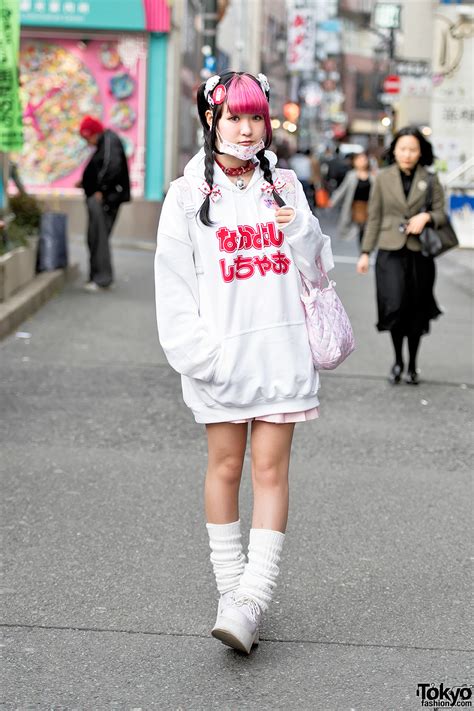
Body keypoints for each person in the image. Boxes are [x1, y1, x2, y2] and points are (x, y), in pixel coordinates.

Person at [154, 71, 333, 655]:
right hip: (222, 361)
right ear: (212, 120)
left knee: (271, 472)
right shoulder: (186, 197)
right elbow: (174, 287)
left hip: (281, 354)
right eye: (234, 116)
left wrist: (301, 229)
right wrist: (203, 357)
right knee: (225, 468)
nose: (247, 128)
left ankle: (252, 599)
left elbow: (317, 272)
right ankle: (233, 595)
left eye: (256, 117)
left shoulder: (284, 186)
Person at [357, 126, 446, 385]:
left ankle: (413, 365)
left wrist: (426, 216)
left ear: (421, 153)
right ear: (394, 150)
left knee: (416, 310)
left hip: (420, 254)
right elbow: (374, 217)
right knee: (394, 306)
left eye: (413, 149)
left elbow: (442, 214)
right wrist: (365, 252)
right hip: (389, 251)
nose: (407, 154)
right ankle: (398, 360)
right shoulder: (383, 178)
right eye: (403, 148)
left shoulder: (430, 179)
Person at [77, 116, 130, 292]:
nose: (87, 142)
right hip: (102, 196)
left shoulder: (109, 141)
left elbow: (111, 166)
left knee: (98, 238)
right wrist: (85, 183)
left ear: (93, 133)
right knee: (95, 237)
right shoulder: (106, 142)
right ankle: (97, 277)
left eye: (86, 138)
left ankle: (102, 279)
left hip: (105, 199)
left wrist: (101, 189)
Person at [329, 151, 374, 245]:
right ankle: (360, 246)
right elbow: (342, 190)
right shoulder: (351, 175)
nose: (362, 161)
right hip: (354, 207)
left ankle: (364, 247)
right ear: (354, 162)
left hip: (369, 207)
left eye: (364, 159)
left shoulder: (373, 176)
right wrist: (332, 201)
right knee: (355, 229)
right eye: (359, 159)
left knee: (366, 230)